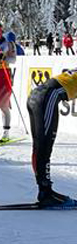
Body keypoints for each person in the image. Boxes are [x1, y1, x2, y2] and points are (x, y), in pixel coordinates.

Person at [25, 71, 77, 208]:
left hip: (37, 96)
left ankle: (44, 191)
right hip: (47, 97)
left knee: (39, 146)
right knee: (44, 146)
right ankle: (46, 192)